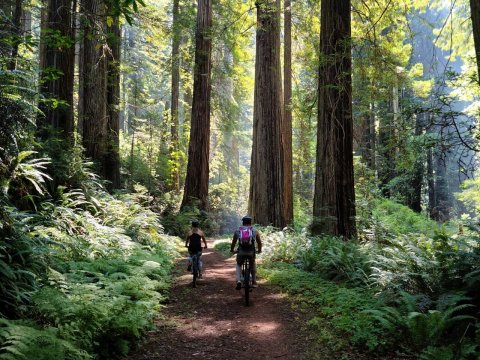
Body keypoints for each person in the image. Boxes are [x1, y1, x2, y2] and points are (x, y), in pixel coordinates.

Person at [230, 216, 262, 290]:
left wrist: (232, 250)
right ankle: (254, 281)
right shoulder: (254, 230)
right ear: (250, 222)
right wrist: (259, 250)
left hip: (241, 252)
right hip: (251, 252)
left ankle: (238, 280)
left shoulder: (238, 230)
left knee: (238, 264)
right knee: (252, 263)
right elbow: (259, 243)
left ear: (243, 222)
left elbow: (233, 242)